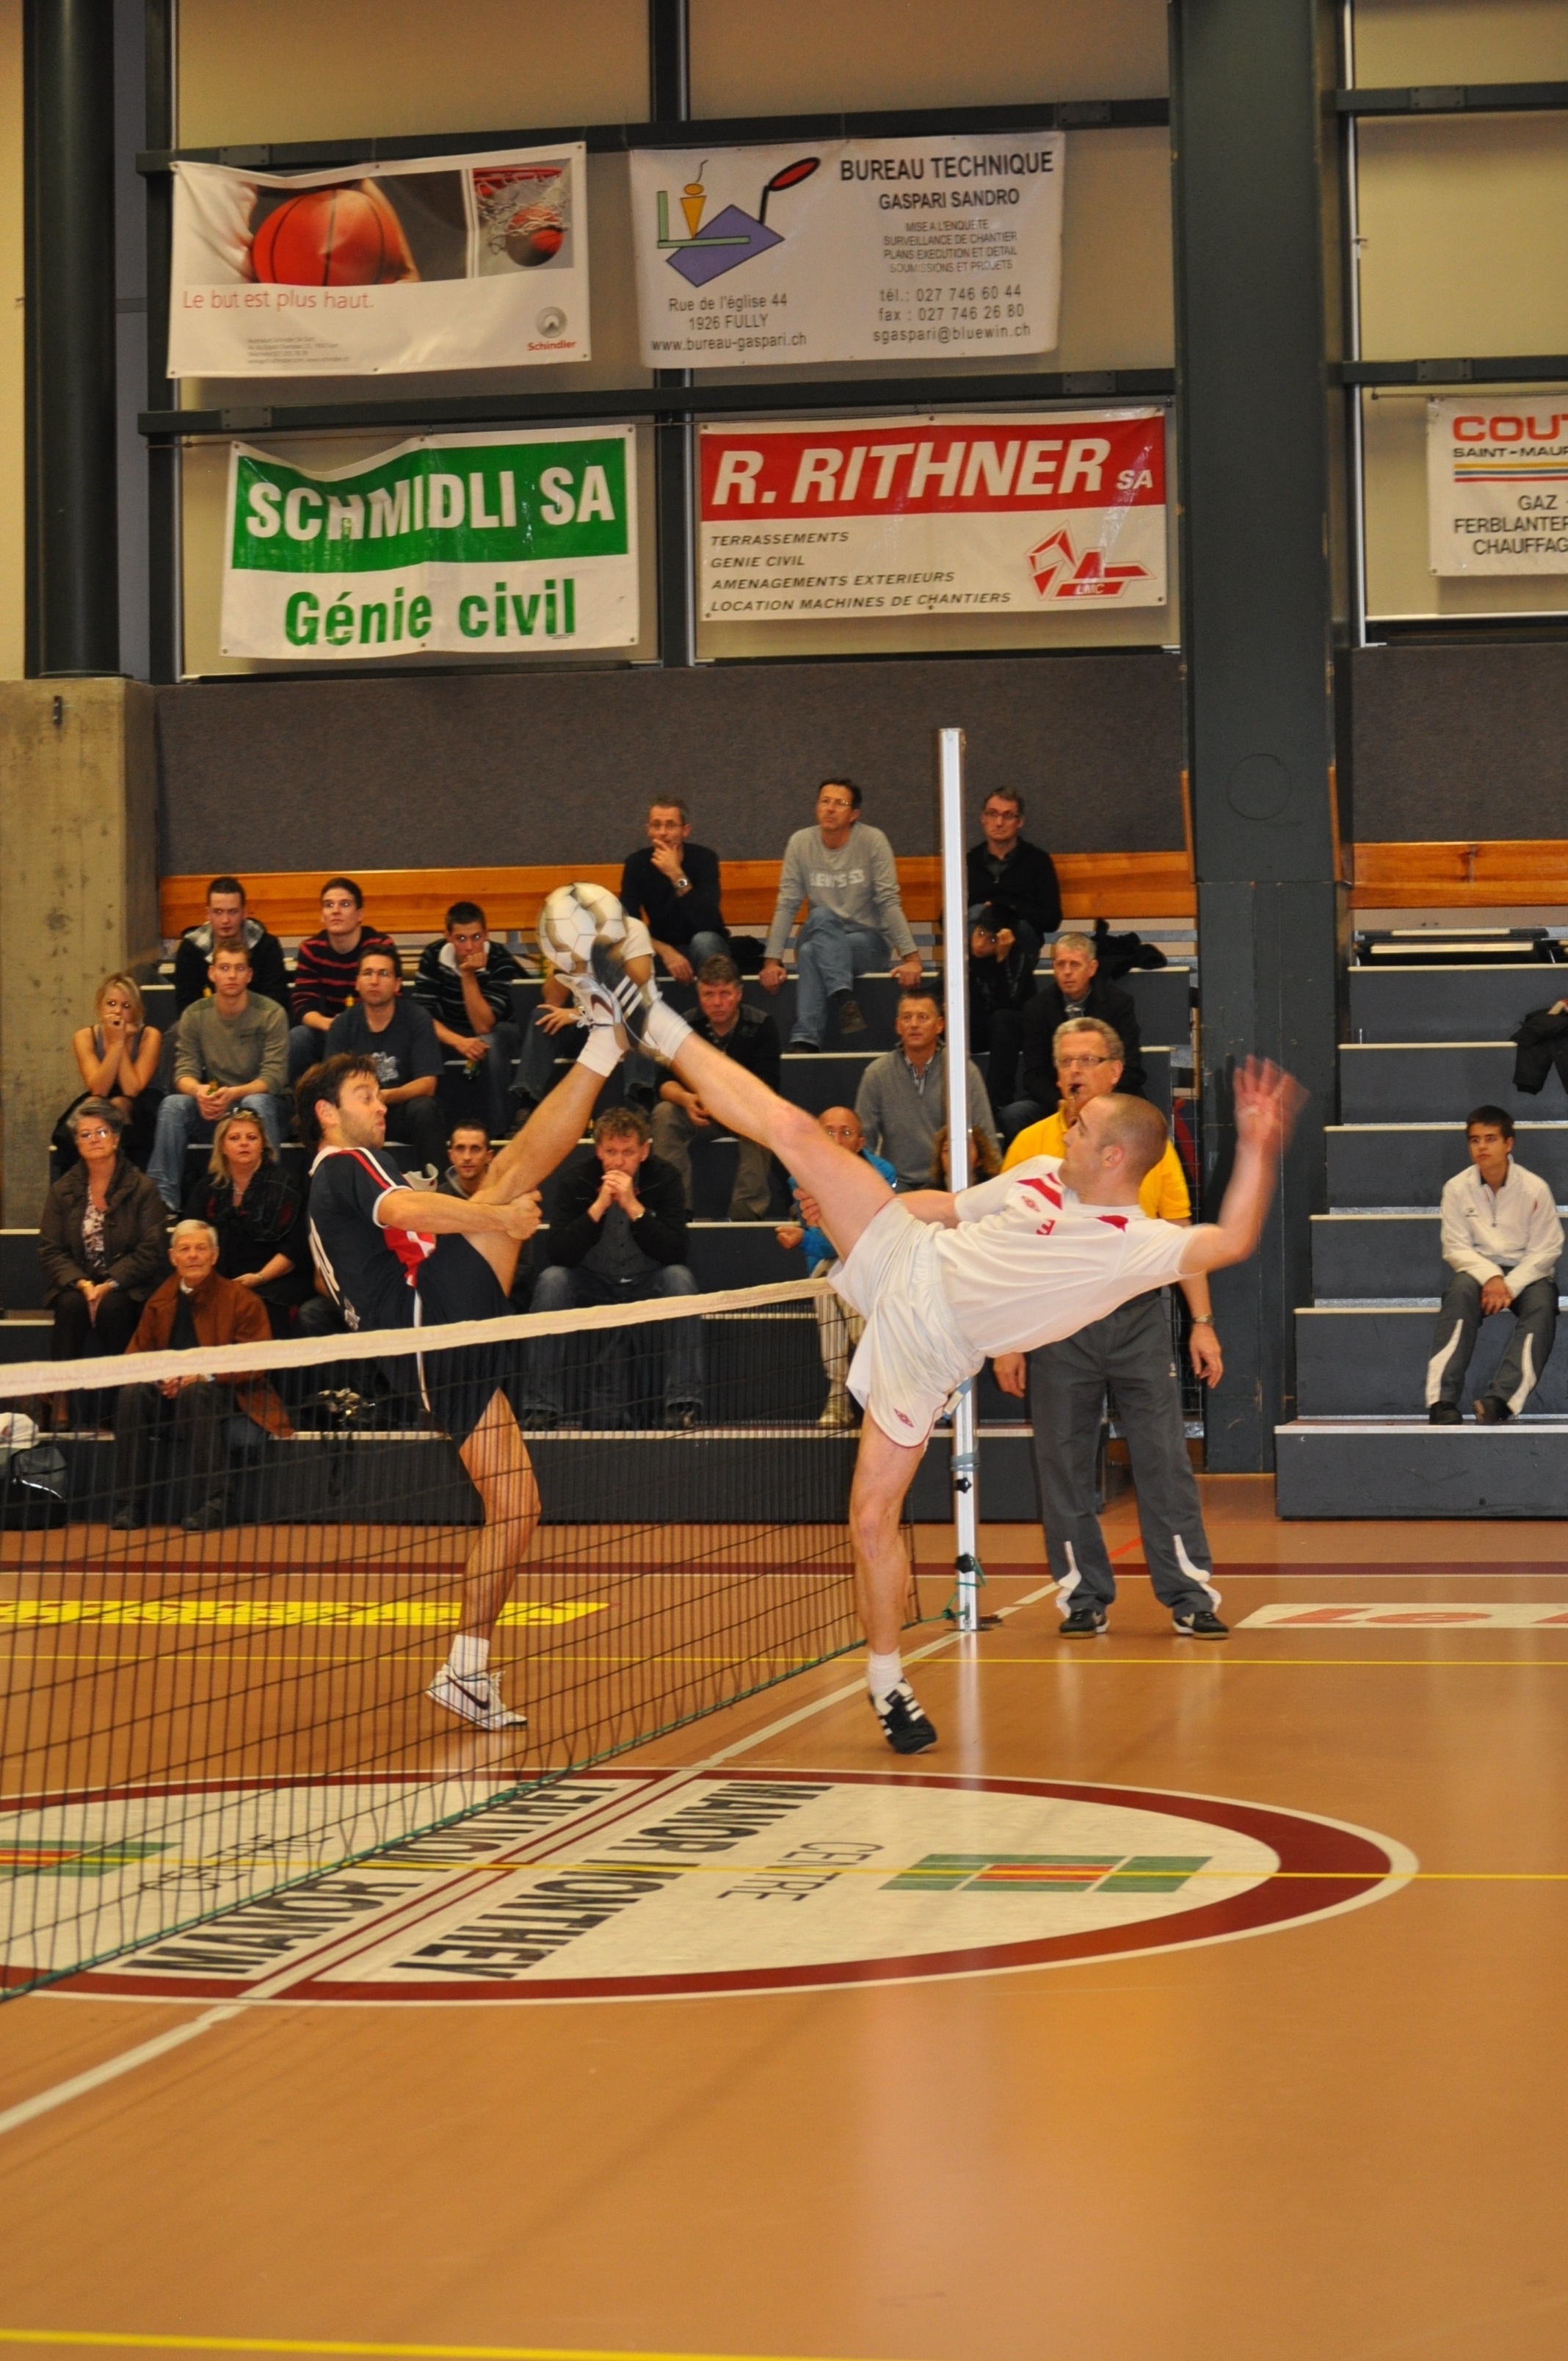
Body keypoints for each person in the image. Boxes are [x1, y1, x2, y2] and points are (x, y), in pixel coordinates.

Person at [568, 927, 1299, 1757]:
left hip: (933, 1346)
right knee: (802, 1137)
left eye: (1083, 1119)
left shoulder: (1133, 1244)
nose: (1068, 1114)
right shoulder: (1033, 1174)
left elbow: (1232, 1241)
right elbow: (941, 1210)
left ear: (1116, 1155)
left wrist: (1261, 1145)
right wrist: (852, 1219)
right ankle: (651, 1020)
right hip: (904, 1254)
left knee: (872, 1516)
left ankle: (887, 1683)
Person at [300, 1007, 622, 1732]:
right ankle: (605, 1047)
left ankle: (466, 1670)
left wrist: (492, 1219)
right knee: (506, 1183)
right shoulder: (340, 1166)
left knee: (517, 1508)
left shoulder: (346, 1167)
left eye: (380, 1096)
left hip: (432, 1347)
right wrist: (494, 1224)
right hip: (424, 1326)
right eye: (364, 1098)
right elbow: (404, 1207)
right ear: (327, 1114)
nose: (380, 1106)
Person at [993, 1016, 1228, 1639]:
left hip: (1137, 1319)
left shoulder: (1144, 1140)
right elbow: (1010, 1252)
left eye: (1087, 1060)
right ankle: (1083, 1597)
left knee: (1163, 1456)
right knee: (1063, 1463)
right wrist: (1010, 1340)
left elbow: (1181, 1240)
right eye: (1065, 1060)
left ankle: (1189, 1593)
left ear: (1115, 1070)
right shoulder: (1031, 1147)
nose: (1074, 1072)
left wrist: (1200, 1323)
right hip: (1057, 1323)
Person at [524, 1106, 703, 1430]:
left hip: (647, 1281)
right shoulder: (576, 1179)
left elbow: (676, 1251)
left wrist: (635, 1208)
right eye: (611, 1152)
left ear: (645, 1151)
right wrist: (598, 1208)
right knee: (552, 1281)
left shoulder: (665, 1178)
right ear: (598, 1151)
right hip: (594, 1282)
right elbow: (558, 1253)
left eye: (628, 1152)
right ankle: (541, 1407)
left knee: (680, 1279)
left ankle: (682, 1403)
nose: (619, 1162)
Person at [110, 1219, 293, 1533]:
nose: (193, 1256)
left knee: (195, 1393)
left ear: (215, 1255)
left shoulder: (241, 1299)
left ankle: (217, 1501)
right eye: (185, 1249)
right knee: (132, 1394)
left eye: (200, 1248)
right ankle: (130, 1504)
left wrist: (204, 1375)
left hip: (227, 1394)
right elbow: (136, 1357)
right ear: (172, 1257)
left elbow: (257, 1361)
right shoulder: (159, 1301)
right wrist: (159, 1379)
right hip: (168, 1395)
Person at [760, 779, 923, 1050]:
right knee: (822, 917)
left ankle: (805, 1039)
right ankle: (845, 999)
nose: (830, 809)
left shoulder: (873, 841)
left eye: (840, 803)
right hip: (820, 930)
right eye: (825, 801)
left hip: (867, 942)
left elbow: (888, 900)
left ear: (854, 814)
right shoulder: (801, 842)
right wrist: (771, 961)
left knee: (813, 952)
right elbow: (787, 903)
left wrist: (912, 958)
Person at [1428, 1105, 1563, 1424]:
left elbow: (1549, 1248)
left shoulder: (1535, 1188)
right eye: (1475, 1140)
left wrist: (1509, 1284)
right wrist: (1490, 1276)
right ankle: (1442, 1402)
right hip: (1477, 1273)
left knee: (1544, 1304)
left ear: (1509, 1144)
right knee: (1458, 1293)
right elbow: (1455, 1247)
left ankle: (1501, 1401)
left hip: (1528, 1274)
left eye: (1490, 1139)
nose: (1482, 1147)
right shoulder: (1456, 1188)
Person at [777, 1107, 896, 1431]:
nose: (836, 1139)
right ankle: (839, 1394)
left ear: (861, 1142)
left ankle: (843, 1395)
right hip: (830, 1270)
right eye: (828, 1131)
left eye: (845, 1132)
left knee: (836, 1280)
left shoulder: (883, 1175)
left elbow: (858, 1235)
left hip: (875, 1265)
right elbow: (824, 1238)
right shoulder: (800, 1176)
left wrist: (805, 1240)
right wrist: (810, 1239)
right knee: (828, 1284)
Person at [149, 944, 289, 1210]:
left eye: (239, 968)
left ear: (249, 974)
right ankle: (163, 1203)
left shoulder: (271, 1013)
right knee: (173, 1105)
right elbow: (184, 1072)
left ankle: (269, 1194)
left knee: (257, 1103)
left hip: (263, 1108)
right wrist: (201, 1093)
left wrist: (233, 1094)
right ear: (212, 973)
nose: (232, 975)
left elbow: (273, 1077)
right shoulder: (195, 1014)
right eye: (224, 968)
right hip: (216, 1108)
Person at [39, 1099, 168, 1365]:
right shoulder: (62, 1191)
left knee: (114, 1308)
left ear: (116, 1139)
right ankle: (61, 1399)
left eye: (101, 1132)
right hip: (79, 1284)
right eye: (85, 1135)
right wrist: (85, 1285)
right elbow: (51, 1250)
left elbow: (150, 1250)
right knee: (70, 1306)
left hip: (128, 1287)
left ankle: (123, 1398)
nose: (94, 1140)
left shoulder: (143, 1189)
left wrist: (109, 1284)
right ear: (77, 1144)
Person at [651, 954, 780, 1218]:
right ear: (699, 995)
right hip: (700, 1112)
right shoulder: (685, 1026)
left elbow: (768, 1087)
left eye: (725, 993)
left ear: (739, 994)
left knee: (768, 1115)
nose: (717, 1003)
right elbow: (662, 1083)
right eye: (709, 994)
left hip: (746, 1113)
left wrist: (726, 1102)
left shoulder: (761, 1024)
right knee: (664, 1114)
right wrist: (686, 1099)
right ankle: (674, 1208)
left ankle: (747, 1210)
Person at [966, 791, 1061, 1108]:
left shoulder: (1037, 862)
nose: (999, 822)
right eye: (993, 814)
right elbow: (946, 916)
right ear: (982, 818)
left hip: (1017, 961)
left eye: (1007, 815)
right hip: (976, 970)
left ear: (1019, 822)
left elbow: (1051, 918)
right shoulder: (967, 862)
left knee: (1015, 927)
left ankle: (995, 1107)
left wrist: (1007, 908)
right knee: (975, 914)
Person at [1003, 931, 1146, 1140]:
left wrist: (1097, 1099)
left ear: (1092, 968)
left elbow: (1132, 1068)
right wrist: (1061, 1102)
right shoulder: (1036, 1008)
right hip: (1057, 1100)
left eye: (1075, 964)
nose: (1067, 972)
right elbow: (1034, 1075)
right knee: (1014, 1115)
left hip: (1109, 1094)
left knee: (1144, 1115)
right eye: (1061, 964)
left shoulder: (1119, 1003)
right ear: (1053, 968)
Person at [181, 1109, 310, 1338]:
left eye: (252, 1137)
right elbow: (192, 1237)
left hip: (273, 1277)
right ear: (222, 1146)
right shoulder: (206, 1187)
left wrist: (258, 1278)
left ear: (263, 1144)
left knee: (256, 1304)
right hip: (218, 1277)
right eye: (235, 1138)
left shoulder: (285, 1186)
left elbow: (294, 1251)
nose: (244, 1144)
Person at [854, 989, 997, 1192]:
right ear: (898, 1026)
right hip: (896, 1184)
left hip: (950, 1182)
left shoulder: (962, 1070)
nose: (914, 1025)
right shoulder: (876, 1074)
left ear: (939, 1025)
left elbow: (985, 1136)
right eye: (907, 1017)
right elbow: (864, 1142)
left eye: (922, 1017)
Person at [325, 946, 446, 1179]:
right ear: (357, 982)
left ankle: (439, 1189)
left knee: (425, 1109)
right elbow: (333, 1084)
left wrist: (384, 1097)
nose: (374, 980)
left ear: (398, 984)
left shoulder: (417, 1018)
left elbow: (427, 1084)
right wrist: (366, 1102)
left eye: (383, 974)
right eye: (367, 973)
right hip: (358, 1113)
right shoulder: (343, 1025)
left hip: (401, 1111)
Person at [413, 901, 523, 1136]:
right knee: (421, 1042)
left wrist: (467, 975)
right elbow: (422, 1017)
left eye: (476, 937)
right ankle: (434, 1130)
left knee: (491, 1040)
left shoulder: (501, 959)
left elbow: (483, 1024)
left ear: (486, 935)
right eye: (461, 939)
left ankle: (497, 1133)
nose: (470, 947)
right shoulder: (432, 956)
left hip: (499, 1031)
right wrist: (457, 1041)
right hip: (451, 1030)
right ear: (448, 937)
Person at [288, 878, 398, 1081]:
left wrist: (353, 1024)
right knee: (299, 1037)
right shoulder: (311, 949)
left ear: (360, 914)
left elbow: (392, 997)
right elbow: (302, 1005)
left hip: (372, 1028)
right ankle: (304, 1104)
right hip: (328, 1028)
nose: (336, 911)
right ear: (322, 915)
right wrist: (330, 1024)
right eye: (329, 905)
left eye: (344, 904)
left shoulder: (380, 945)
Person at [619, 799, 729, 984]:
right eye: (656, 825)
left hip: (706, 947)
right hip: (659, 948)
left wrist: (676, 874)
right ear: (648, 830)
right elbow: (628, 925)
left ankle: (712, 1006)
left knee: (704, 941)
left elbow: (708, 922)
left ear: (685, 831)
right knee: (622, 952)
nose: (663, 833)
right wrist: (665, 950)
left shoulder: (705, 860)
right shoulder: (636, 864)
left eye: (670, 825)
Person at [66, 975, 163, 1169]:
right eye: (111, 1004)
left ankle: (124, 1172)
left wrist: (118, 1041)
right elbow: (99, 1089)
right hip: (103, 1094)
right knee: (91, 1106)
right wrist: (116, 1042)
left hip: (142, 1104)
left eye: (126, 1006)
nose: (118, 1011)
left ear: (136, 1011)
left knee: (120, 1103)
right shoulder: (84, 1037)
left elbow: (132, 1089)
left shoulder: (150, 1036)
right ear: (100, 1007)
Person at [173, 877, 289, 1015]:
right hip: (206, 1027)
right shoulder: (190, 950)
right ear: (208, 914)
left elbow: (276, 1000)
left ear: (244, 913)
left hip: (259, 1026)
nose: (225, 920)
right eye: (218, 912)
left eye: (233, 912)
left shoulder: (267, 946)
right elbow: (187, 1006)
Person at [438, 1121, 496, 1200]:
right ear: (451, 1156)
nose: (467, 1157)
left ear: (488, 1157)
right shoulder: (440, 1196)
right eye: (460, 1149)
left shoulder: (507, 1192)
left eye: (475, 1149)